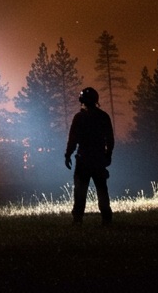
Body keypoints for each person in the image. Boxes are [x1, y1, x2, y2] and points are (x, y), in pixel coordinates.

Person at [64, 86, 115, 225]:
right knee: (102, 189)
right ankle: (106, 218)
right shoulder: (103, 116)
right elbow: (110, 139)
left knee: (80, 191)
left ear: (82, 101)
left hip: (83, 159)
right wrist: (108, 155)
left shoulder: (79, 117)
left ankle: (78, 218)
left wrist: (68, 154)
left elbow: (73, 139)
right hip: (98, 159)